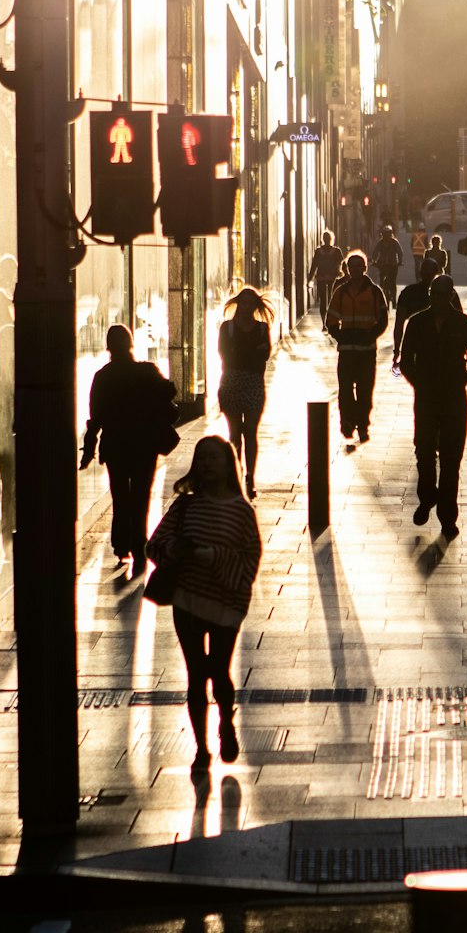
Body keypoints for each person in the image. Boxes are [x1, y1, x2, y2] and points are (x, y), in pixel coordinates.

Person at [146, 436, 261, 775]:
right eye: (203, 458)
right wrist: (173, 551)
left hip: (227, 602)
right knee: (197, 675)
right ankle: (201, 748)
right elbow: (155, 544)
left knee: (219, 671)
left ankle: (226, 720)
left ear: (229, 464)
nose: (209, 464)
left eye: (215, 458)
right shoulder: (185, 506)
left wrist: (214, 557)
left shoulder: (241, 511)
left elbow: (250, 557)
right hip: (188, 601)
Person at [80, 324, 179, 576]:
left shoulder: (103, 377)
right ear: (131, 343)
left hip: (116, 446)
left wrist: (88, 450)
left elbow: (96, 417)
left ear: (109, 347)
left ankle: (121, 545)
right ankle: (139, 545)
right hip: (144, 444)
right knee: (141, 496)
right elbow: (170, 391)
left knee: (121, 496)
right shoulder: (146, 371)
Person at [399, 275, 467, 541]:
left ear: (450, 295)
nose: (436, 299)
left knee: (451, 460)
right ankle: (427, 498)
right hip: (426, 398)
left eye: (441, 295)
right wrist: (419, 384)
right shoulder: (417, 323)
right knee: (424, 453)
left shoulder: (463, 324)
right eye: (433, 294)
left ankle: (448, 517)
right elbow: (406, 362)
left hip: (454, 399)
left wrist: (462, 379)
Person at [325, 250, 389, 443]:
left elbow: (383, 319)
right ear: (347, 269)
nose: (354, 271)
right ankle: (347, 422)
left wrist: (370, 335)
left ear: (364, 268)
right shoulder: (341, 292)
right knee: (345, 390)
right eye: (351, 267)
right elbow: (331, 319)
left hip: (366, 351)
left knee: (364, 390)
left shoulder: (375, 292)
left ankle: (362, 425)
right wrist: (340, 336)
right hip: (346, 351)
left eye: (358, 267)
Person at [217, 287, 274, 500]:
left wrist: (240, 352)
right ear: (238, 304)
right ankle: (235, 474)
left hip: (253, 383)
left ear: (255, 306)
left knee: (250, 431)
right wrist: (250, 353)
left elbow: (264, 354)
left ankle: (250, 476)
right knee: (234, 432)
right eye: (244, 303)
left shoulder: (262, 328)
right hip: (231, 383)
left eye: (251, 303)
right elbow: (224, 353)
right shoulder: (227, 327)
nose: (247, 307)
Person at [392, 258, 463, 367]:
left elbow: (399, 322)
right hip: (436, 349)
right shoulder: (448, 293)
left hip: (433, 349)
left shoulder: (408, 293)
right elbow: (460, 320)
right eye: (427, 274)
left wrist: (397, 349)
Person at [307, 230, 344, 328]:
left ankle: (324, 323)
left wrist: (310, 279)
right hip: (333, 278)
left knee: (323, 301)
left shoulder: (318, 251)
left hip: (321, 278)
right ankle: (332, 320)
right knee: (332, 300)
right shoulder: (336, 251)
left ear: (323, 239)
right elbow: (342, 264)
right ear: (331, 239)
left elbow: (314, 266)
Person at [370, 224, 404, 307]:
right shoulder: (380, 243)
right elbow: (375, 252)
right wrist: (374, 261)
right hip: (382, 265)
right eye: (385, 234)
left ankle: (394, 300)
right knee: (382, 282)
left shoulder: (394, 242)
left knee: (392, 282)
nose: (387, 236)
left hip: (392, 265)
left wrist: (400, 261)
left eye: (388, 234)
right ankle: (382, 298)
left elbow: (400, 252)